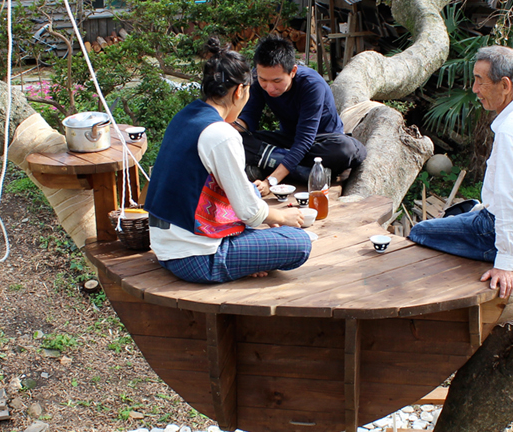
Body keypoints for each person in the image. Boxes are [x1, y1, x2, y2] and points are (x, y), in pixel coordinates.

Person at [143, 40, 314, 284]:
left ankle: (244, 260)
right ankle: (240, 261)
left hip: (165, 247)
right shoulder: (221, 134)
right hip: (196, 257)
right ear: (240, 91)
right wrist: (281, 217)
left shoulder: (184, 117)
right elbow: (249, 211)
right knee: (299, 243)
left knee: (261, 216)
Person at [408, 46, 513, 298]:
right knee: (462, 213)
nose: (474, 89)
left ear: (504, 85)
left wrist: (505, 263)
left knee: (420, 231)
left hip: (510, 235)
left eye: (480, 81)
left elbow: (512, 199)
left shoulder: (512, 130)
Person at [234, 34, 366, 191]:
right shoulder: (257, 79)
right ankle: (308, 172)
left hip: (321, 143)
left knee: (346, 150)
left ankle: (271, 164)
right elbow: (249, 117)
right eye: (263, 80)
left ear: (293, 71)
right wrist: (231, 128)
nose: (269, 88)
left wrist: (271, 181)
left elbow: (305, 140)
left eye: (277, 81)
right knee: (237, 140)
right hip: (288, 141)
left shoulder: (311, 85)